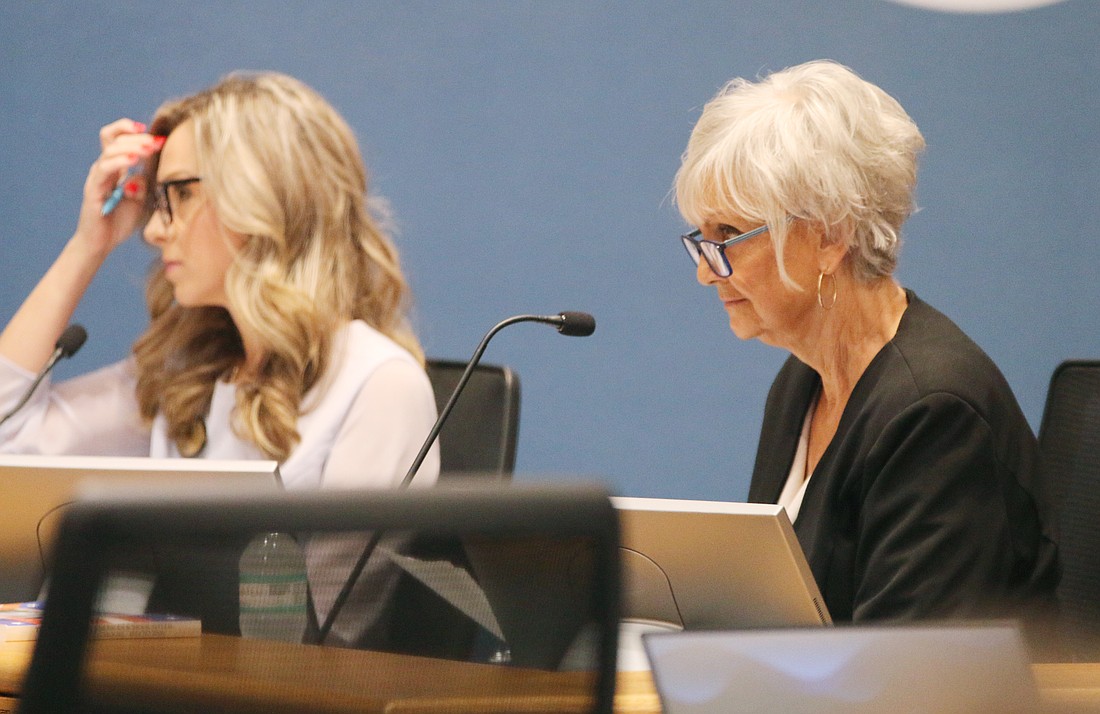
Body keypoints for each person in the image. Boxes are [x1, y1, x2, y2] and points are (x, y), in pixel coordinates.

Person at [0, 72, 440, 645]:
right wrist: (90, 244)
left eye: (178, 194)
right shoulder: (191, 370)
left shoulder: (379, 384)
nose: (155, 231)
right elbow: (9, 441)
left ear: (263, 194)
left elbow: (320, 639)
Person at [673, 60, 1057, 622]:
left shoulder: (934, 413)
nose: (706, 273)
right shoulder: (802, 381)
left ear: (829, 236)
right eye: (700, 240)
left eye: (728, 236)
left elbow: (903, 675)